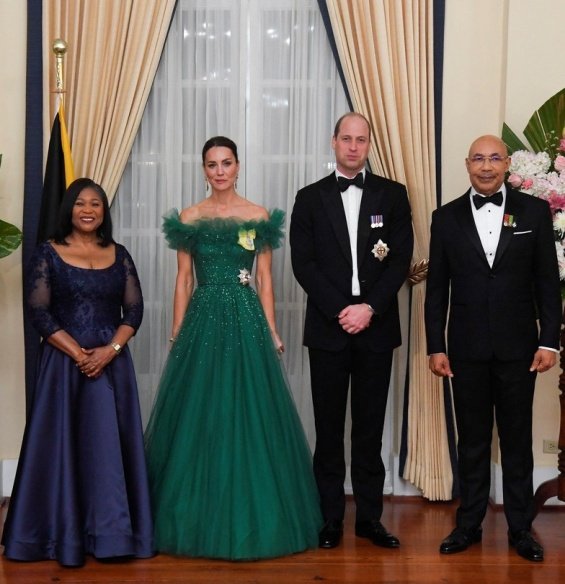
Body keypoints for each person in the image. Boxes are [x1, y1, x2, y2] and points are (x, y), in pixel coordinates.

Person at [144, 136, 322, 560]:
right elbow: (184, 279)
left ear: (238, 167)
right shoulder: (190, 217)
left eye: (226, 163)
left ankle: (258, 515)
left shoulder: (257, 215)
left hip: (245, 320)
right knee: (199, 415)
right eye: (212, 164)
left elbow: (264, 279)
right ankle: (193, 516)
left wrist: (273, 330)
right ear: (203, 170)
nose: (219, 170)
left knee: (249, 413)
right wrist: (176, 332)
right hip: (203, 319)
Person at [2, 178, 154, 567]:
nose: (88, 210)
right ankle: (59, 537)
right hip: (63, 365)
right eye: (81, 203)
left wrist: (110, 351)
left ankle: (112, 534)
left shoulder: (119, 254)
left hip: (111, 366)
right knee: (63, 447)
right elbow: (39, 312)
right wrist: (79, 354)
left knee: (106, 451)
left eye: (97, 204)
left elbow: (134, 311)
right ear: (69, 208)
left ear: (104, 212)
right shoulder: (47, 253)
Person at [425, 135, 562, 562]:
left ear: (507, 164)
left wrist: (548, 341)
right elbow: (436, 291)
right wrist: (435, 346)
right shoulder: (444, 218)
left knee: (517, 441)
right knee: (472, 442)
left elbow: (546, 284)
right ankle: (468, 525)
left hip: (521, 349)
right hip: (464, 350)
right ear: (467, 164)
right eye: (479, 159)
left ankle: (521, 529)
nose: (486, 166)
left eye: (495, 158)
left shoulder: (534, 212)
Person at [289, 113, 414, 549]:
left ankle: (370, 519)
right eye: (347, 139)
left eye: (362, 140)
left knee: (369, 427)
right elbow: (302, 264)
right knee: (327, 430)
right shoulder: (308, 198)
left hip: (376, 330)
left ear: (368, 144)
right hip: (328, 328)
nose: (354, 147)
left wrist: (369, 309)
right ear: (333, 142)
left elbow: (400, 261)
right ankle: (329, 520)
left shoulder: (393, 195)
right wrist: (344, 309)